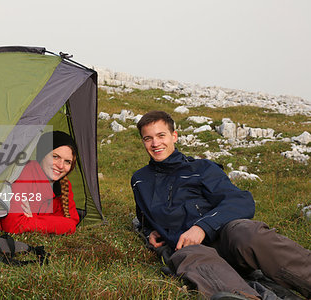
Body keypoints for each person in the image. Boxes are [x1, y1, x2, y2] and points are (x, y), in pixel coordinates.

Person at [131, 110, 311, 300]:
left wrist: (202, 227)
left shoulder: (202, 168)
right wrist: (148, 231)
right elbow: (144, 217)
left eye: (161, 135)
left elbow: (240, 201)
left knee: (249, 233)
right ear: (143, 142)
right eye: (148, 138)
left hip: (224, 235)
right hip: (187, 247)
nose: (155, 143)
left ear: (174, 136)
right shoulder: (140, 180)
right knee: (194, 257)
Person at [0, 131, 80, 234]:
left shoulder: (63, 184)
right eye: (55, 157)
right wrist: (60, 223)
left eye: (67, 162)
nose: (61, 166)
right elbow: (13, 225)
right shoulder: (24, 173)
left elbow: (72, 223)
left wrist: (33, 218)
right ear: (42, 155)